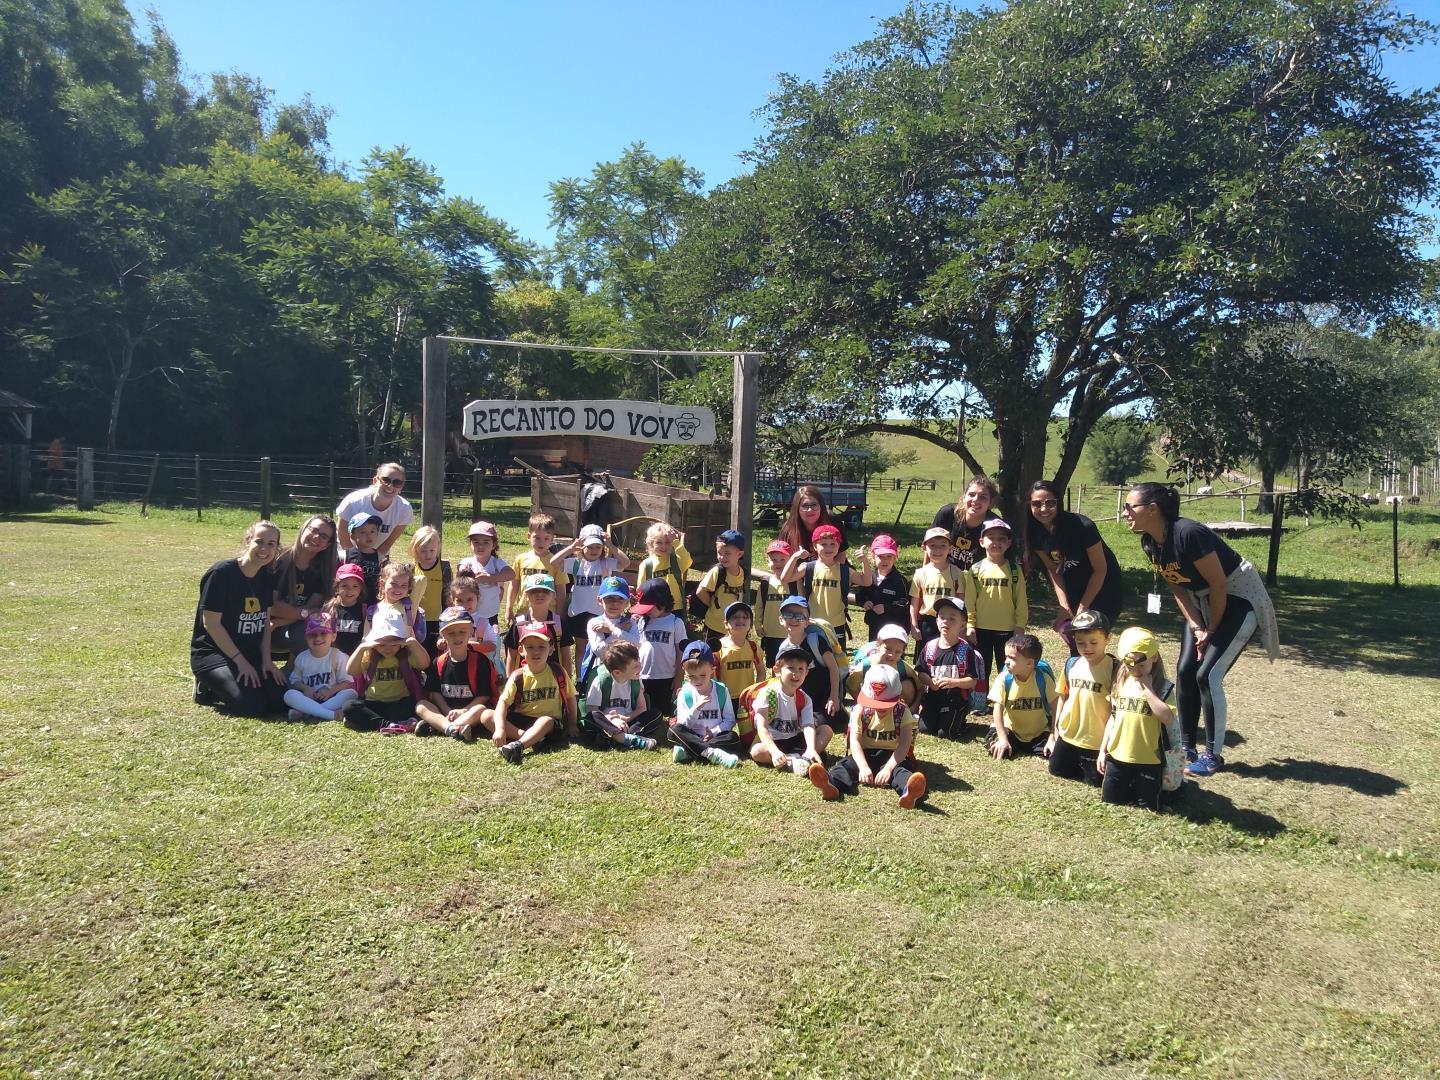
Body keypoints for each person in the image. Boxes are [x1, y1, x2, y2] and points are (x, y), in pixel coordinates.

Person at [1124, 482, 1278, 778]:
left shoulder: (1189, 533)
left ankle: (1213, 755)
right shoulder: (1150, 542)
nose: (1126, 512)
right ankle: (1185, 748)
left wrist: (1212, 630)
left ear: (1153, 509)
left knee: (1207, 675)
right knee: (1184, 670)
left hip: (1237, 599)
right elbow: (1176, 586)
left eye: (1130, 506)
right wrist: (1197, 626)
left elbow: (1219, 584)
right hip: (1202, 603)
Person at [190, 520, 288, 717]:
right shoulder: (221, 573)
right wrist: (241, 662)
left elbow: (265, 622)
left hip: (249, 653)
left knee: (281, 701)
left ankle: (241, 680)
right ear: (247, 541)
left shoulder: (267, 577)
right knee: (252, 707)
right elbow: (211, 624)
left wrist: (267, 662)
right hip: (214, 653)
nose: (264, 549)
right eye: (259, 541)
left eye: (271, 544)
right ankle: (205, 684)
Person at [809, 664, 928, 808]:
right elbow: (855, 741)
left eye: (885, 704)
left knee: (901, 772)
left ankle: (909, 791)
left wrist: (888, 769)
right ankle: (831, 783)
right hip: (864, 754)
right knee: (846, 766)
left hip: (893, 757)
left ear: (898, 697)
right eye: (875, 703)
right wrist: (863, 767)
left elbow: (904, 745)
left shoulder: (903, 713)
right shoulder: (861, 710)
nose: (879, 708)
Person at [1025, 480, 1124, 652]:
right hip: (1074, 589)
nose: (1043, 509)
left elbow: (1100, 569)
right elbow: (1054, 570)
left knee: (1092, 642)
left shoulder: (1082, 526)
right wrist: (1064, 607)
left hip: (1104, 587)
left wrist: (1083, 608)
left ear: (1059, 503)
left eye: (1050, 503)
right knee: (1077, 644)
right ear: (1030, 505)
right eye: (1037, 503)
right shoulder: (1035, 533)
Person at [1097, 627, 1179, 811]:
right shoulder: (1120, 681)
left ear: (1155, 657)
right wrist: (1103, 751)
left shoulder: (1163, 688)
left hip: (1149, 761)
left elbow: (1167, 718)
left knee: (1147, 807)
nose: (1135, 669)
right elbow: (1113, 717)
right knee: (1111, 801)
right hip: (1118, 756)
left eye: (1141, 665)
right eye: (1129, 664)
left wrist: (1148, 690)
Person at [1044, 610, 1116, 786]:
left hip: (1096, 740)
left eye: (1093, 642)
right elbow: (1061, 698)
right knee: (1056, 769)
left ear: (1107, 639)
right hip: (1069, 734)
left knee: (1095, 781)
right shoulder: (1072, 664)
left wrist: (1107, 747)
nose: (1087, 648)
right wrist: (1054, 734)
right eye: (1080, 642)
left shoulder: (1114, 668)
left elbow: (1117, 711)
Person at [488, 626, 576, 764]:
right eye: (530, 647)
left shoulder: (558, 672)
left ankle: (518, 746)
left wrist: (572, 724)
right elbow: (503, 703)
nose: (536, 652)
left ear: (551, 649)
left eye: (541, 647)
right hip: (523, 721)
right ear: (521, 650)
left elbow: (571, 697)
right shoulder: (517, 676)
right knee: (487, 715)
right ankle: (531, 738)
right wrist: (500, 728)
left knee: (545, 721)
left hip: (550, 725)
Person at [551, 523, 630, 673]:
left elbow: (625, 563)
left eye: (598, 547)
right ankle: (581, 676)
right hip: (579, 611)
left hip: (600, 613)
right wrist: (571, 547)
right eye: (590, 547)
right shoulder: (576, 564)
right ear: (582, 546)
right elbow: (553, 562)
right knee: (581, 647)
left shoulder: (605, 563)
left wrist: (610, 545)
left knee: (604, 645)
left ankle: (604, 671)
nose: (594, 550)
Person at [414, 607, 499, 741]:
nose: (457, 636)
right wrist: (447, 710)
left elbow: (483, 696)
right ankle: (452, 728)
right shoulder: (438, 662)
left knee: (480, 709)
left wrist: (463, 711)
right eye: (451, 633)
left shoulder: (480, 661)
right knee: (421, 705)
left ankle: (440, 727)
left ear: (471, 631)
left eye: (462, 632)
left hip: (470, 712)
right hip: (446, 712)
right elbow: (434, 693)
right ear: (443, 635)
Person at [781, 524, 871, 648]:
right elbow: (785, 578)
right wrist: (795, 557)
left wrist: (864, 562)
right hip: (812, 623)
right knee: (814, 658)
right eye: (823, 544)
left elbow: (866, 582)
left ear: (839, 546)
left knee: (837, 659)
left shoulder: (844, 570)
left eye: (833, 544)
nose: (828, 548)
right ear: (815, 546)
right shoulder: (808, 567)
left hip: (837, 624)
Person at [343, 605, 429, 734]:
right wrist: (362, 647)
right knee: (349, 706)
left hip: (399, 702)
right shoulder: (369, 654)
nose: (388, 648)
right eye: (382, 644)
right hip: (373, 703)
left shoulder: (406, 654)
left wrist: (413, 642)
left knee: (413, 704)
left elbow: (424, 664)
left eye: (393, 643)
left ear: (401, 642)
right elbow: (351, 671)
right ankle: (389, 724)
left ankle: (371, 722)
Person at [749, 643, 833, 775]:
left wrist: (811, 747)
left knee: (826, 730)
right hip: (773, 741)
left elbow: (808, 725)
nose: (796, 674)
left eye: (801, 669)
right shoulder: (767, 694)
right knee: (757, 752)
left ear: (807, 672)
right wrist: (774, 751)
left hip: (795, 739)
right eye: (790, 668)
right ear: (777, 670)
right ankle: (794, 761)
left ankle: (807, 756)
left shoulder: (804, 698)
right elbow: (762, 728)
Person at [964, 518, 1028, 686]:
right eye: (991, 537)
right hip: (981, 628)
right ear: (982, 542)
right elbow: (970, 600)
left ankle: (1007, 696)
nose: (996, 542)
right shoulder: (976, 570)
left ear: (1009, 543)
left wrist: (1020, 626)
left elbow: (1020, 600)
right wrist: (970, 625)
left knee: (1007, 666)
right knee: (980, 666)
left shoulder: (1014, 570)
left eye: (1002, 538)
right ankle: (980, 700)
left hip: (1007, 629)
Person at [915, 597, 984, 738]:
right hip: (932, 700)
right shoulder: (929, 647)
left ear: (962, 624)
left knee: (944, 733)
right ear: (937, 621)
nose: (946, 621)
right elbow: (921, 673)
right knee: (924, 729)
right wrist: (930, 682)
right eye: (942, 617)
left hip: (955, 701)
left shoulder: (965, 650)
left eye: (952, 618)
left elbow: (972, 681)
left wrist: (953, 682)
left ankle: (960, 722)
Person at [270, 515, 338, 658]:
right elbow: (272, 607)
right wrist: (303, 614)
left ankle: (299, 675)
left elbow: (311, 611)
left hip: (287, 625)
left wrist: (280, 621)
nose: (316, 537)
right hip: (267, 629)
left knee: (314, 630)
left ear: (327, 545)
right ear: (303, 529)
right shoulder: (278, 560)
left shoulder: (322, 571)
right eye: (313, 530)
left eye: (323, 536)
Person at [669, 641, 743, 768]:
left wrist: (713, 733)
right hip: (692, 735)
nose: (697, 680)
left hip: (715, 736)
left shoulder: (721, 690)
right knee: (674, 730)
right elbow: (683, 725)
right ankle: (712, 753)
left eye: (703, 675)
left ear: (712, 671)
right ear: (685, 673)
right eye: (692, 676)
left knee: (733, 738)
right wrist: (696, 709)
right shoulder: (685, 693)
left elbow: (729, 720)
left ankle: (688, 752)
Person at [773, 594, 844, 727]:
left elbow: (833, 668)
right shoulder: (783, 648)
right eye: (789, 615)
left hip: (822, 699)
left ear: (807, 622)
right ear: (781, 619)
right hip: (798, 700)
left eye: (800, 616)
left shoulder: (816, 641)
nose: (794, 619)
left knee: (820, 725)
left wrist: (834, 697)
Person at [984, 632, 1057, 760]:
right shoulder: (1004, 679)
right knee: (999, 749)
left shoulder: (1043, 679)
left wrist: (1053, 736)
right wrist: (1002, 738)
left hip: (1038, 733)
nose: (1006, 662)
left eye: (1012, 658)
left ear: (1029, 663)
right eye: (1006, 657)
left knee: (1054, 754)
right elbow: (998, 709)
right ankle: (1002, 741)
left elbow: (1057, 709)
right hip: (1010, 731)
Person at [582, 640, 663, 750]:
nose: (640, 667)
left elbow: (642, 708)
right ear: (617, 672)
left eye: (639, 661)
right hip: (607, 721)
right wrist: (612, 720)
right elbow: (591, 710)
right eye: (635, 666)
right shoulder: (600, 681)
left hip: (629, 721)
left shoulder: (635, 679)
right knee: (593, 717)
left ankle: (616, 738)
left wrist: (627, 718)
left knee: (656, 714)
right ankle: (628, 738)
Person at [282, 612, 358, 722]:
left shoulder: (339, 656)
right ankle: (331, 715)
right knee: (289, 695)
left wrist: (330, 691)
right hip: (308, 699)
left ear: (333, 636)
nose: (318, 638)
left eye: (323, 633)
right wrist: (305, 688)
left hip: (332, 698)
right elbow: (295, 682)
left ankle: (306, 712)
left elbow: (347, 683)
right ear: (306, 637)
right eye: (313, 635)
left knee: (351, 693)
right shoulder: (302, 657)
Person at [632, 578, 688, 718]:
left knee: (664, 710)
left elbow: (680, 651)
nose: (646, 612)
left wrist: (678, 677)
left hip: (666, 677)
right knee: (645, 708)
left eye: (649, 608)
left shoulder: (675, 622)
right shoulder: (642, 621)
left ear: (662, 604)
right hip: (644, 675)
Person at [335, 463, 414, 556]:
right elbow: (343, 535)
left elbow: (388, 543)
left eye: (397, 483)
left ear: (402, 486)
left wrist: (376, 559)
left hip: (378, 554)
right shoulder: (353, 502)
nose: (390, 486)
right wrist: (353, 558)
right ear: (375, 480)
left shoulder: (404, 509)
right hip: (346, 552)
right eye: (385, 480)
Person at [695, 529, 756, 647]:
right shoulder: (717, 572)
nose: (722, 557)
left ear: (740, 554)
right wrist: (712, 605)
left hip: (733, 626)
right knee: (713, 658)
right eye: (719, 553)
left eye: (727, 553)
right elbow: (700, 591)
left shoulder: (743, 573)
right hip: (715, 625)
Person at [909, 527, 963, 658]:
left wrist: (962, 625)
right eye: (932, 546)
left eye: (943, 546)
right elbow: (914, 602)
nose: (937, 550)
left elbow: (962, 601)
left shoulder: (956, 573)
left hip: (949, 621)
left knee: (949, 655)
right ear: (924, 547)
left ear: (950, 549)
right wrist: (914, 625)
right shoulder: (920, 573)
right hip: (928, 622)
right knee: (925, 658)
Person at [502, 573, 571, 674]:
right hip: (525, 683)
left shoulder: (558, 623)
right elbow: (511, 656)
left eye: (545, 591)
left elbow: (566, 656)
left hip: (552, 682)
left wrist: (567, 683)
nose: (539, 594)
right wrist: (510, 682)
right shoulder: (519, 624)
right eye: (534, 591)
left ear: (553, 595)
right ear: (526, 595)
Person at [931, 476, 1001, 572]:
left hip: (977, 578)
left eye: (983, 497)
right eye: (971, 494)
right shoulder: (947, 514)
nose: (976, 500)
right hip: (945, 572)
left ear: (990, 503)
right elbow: (930, 546)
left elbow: (998, 562)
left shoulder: (995, 526)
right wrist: (926, 576)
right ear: (964, 497)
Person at [507, 513, 567, 622]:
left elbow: (561, 591)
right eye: (537, 538)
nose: (541, 542)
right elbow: (514, 585)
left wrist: (559, 614)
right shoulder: (520, 559)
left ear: (552, 538)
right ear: (529, 536)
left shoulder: (557, 562)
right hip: (523, 613)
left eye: (546, 538)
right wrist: (509, 608)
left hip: (548, 614)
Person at [583, 576, 640, 685]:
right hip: (598, 674)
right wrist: (618, 631)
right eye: (609, 598)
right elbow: (599, 650)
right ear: (600, 600)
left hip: (624, 675)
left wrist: (612, 629)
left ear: (627, 602)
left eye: (620, 599)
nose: (615, 603)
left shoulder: (630, 623)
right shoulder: (594, 622)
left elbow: (636, 645)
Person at [456, 520, 514, 628]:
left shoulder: (496, 563)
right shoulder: (467, 562)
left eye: (486, 542)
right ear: (470, 544)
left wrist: (491, 578)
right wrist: (472, 576)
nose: (480, 546)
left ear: (493, 545)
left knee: (491, 642)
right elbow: (461, 572)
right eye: (476, 542)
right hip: (469, 614)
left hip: (490, 614)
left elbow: (511, 574)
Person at [856, 534, 909, 644]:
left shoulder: (899, 580)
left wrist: (886, 608)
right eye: (880, 556)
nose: (885, 560)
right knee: (875, 653)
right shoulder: (869, 577)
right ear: (872, 557)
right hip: (874, 624)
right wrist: (864, 602)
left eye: (889, 556)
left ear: (895, 557)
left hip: (894, 628)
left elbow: (905, 603)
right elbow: (860, 594)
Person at [407, 525, 451, 658]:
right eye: (423, 551)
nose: (428, 555)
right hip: (416, 619)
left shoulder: (444, 568)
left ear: (438, 547)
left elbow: (448, 594)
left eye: (432, 550)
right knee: (416, 654)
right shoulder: (410, 568)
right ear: (415, 550)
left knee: (434, 654)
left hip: (437, 620)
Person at [635, 522, 692, 614]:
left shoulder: (676, 560)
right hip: (655, 608)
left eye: (667, 542)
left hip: (676, 607)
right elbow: (641, 589)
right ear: (651, 544)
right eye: (659, 542)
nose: (663, 546)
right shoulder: (647, 565)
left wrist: (675, 542)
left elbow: (688, 561)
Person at [756, 540, 797, 666]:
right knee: (775, 666)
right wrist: (758, 625)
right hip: (770, 632)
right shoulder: (765, 583)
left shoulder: (795, 583)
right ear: (767, 560)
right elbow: (759, 606)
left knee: (791, 664)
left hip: (791, 632)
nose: (778, 563)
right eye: (773, 559)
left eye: (782, 559)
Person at [776, 484, 848, 553]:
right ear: (797, 509)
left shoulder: (833, 521)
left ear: (821, 506)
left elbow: (841, 554)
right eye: (805, 506)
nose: (810, 510)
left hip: (832, 565)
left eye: (814, 505)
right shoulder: (789, 529)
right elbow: (779, 558)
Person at [325, 563, 368, 657]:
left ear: (361, 588)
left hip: (355, 659)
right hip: (333, 659)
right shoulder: (329, 608)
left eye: (355, 586)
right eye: (345, 586)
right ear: (337, 587)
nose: (350, 590)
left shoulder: (365, 610)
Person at [343, 512, 385, 605]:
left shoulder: (381, 558)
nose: (369, 535)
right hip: (350, 602)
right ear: (352, 535)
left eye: (372, 531)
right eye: (363, 532)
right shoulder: (346, 556)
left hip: (373, 603)